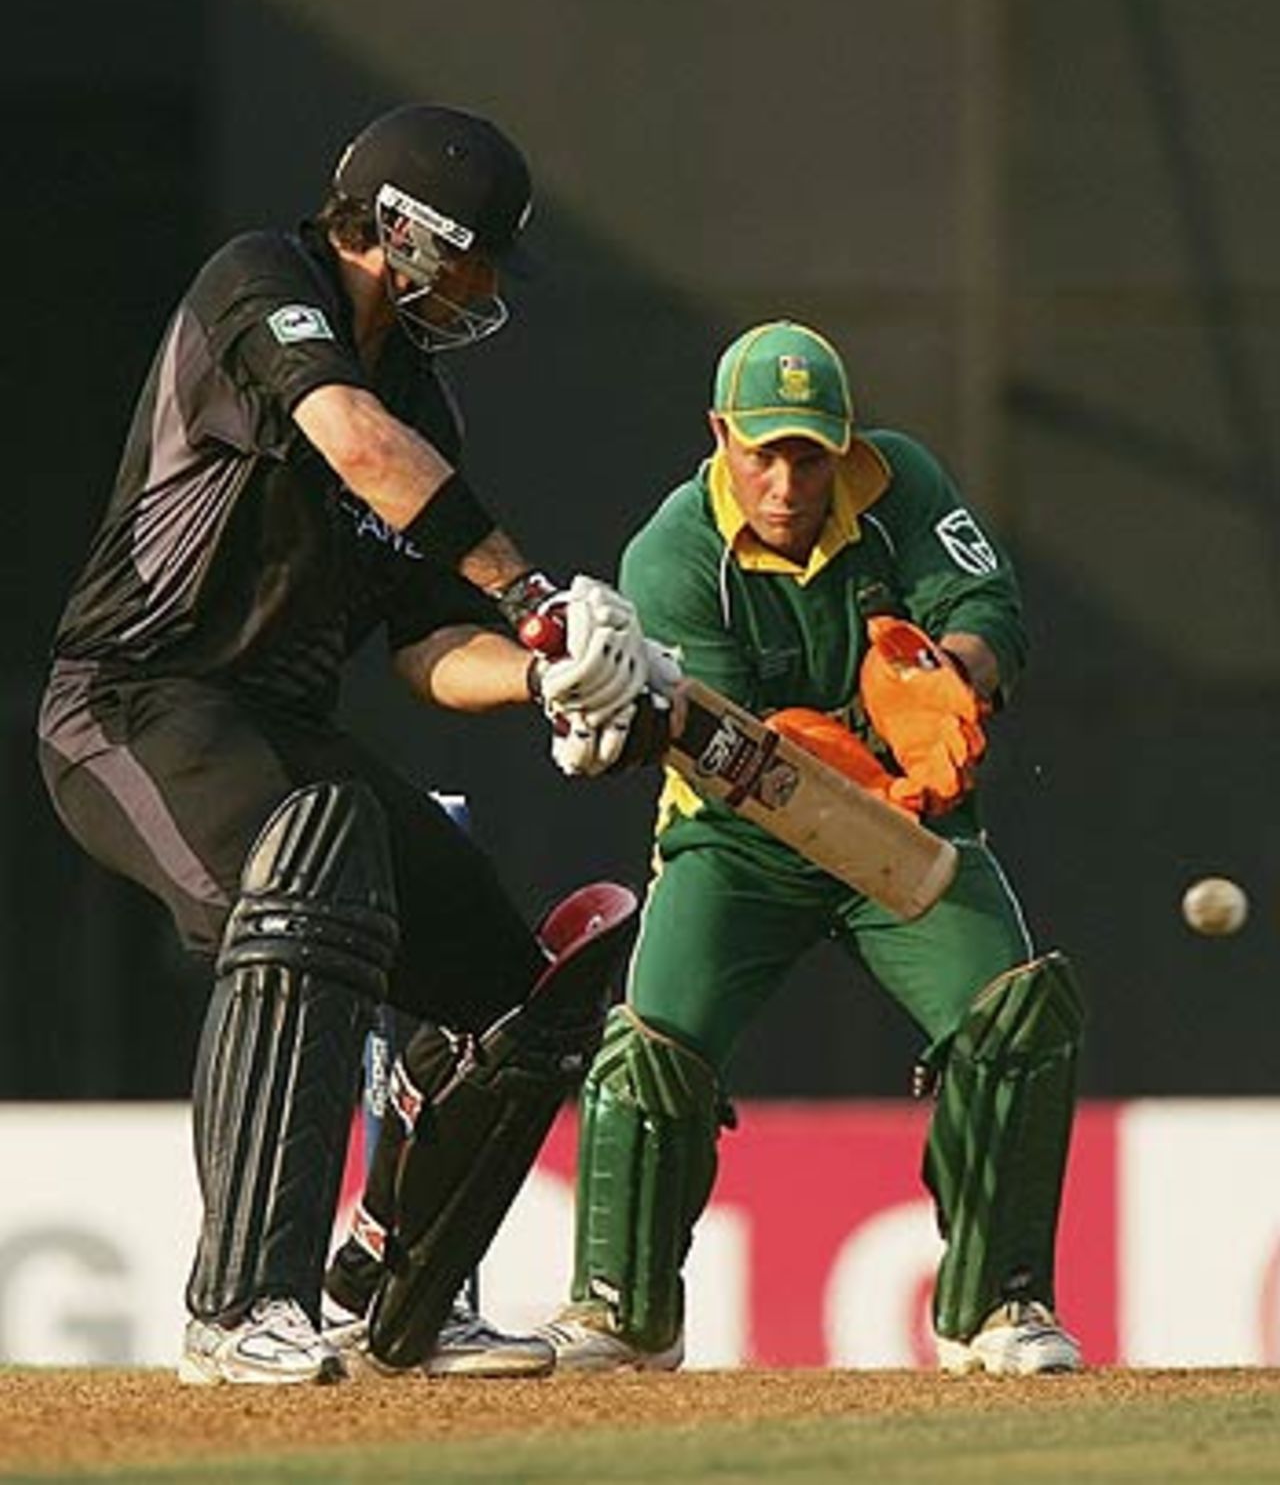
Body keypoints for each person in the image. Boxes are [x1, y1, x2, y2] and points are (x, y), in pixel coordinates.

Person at [36, 102, 664, 1385]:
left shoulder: (421, 397)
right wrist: (535, 594)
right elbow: (352, 445)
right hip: (131, 706)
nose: (489, 286)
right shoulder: (261, 282)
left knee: (507, 997)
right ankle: (241, 1309)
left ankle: (406, 1293)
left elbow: (430, 651)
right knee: (307, 890)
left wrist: (550, 675)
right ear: (401, 234)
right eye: (477, 253)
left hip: (278, 735)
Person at [537, 319, 1086, 1376]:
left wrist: (949, 676)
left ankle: (997, 1307)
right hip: (739, 840)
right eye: (761, 452)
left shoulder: (899, 484)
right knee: (652, 1045)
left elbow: (984, 605)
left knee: (1016, 1014)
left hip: (907, 832)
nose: (784, 482)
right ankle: (620, 1310)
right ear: (718, 437)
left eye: (806, 454)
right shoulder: (673, 553)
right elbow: (742, 757)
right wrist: (877, 761)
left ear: (842, 443)